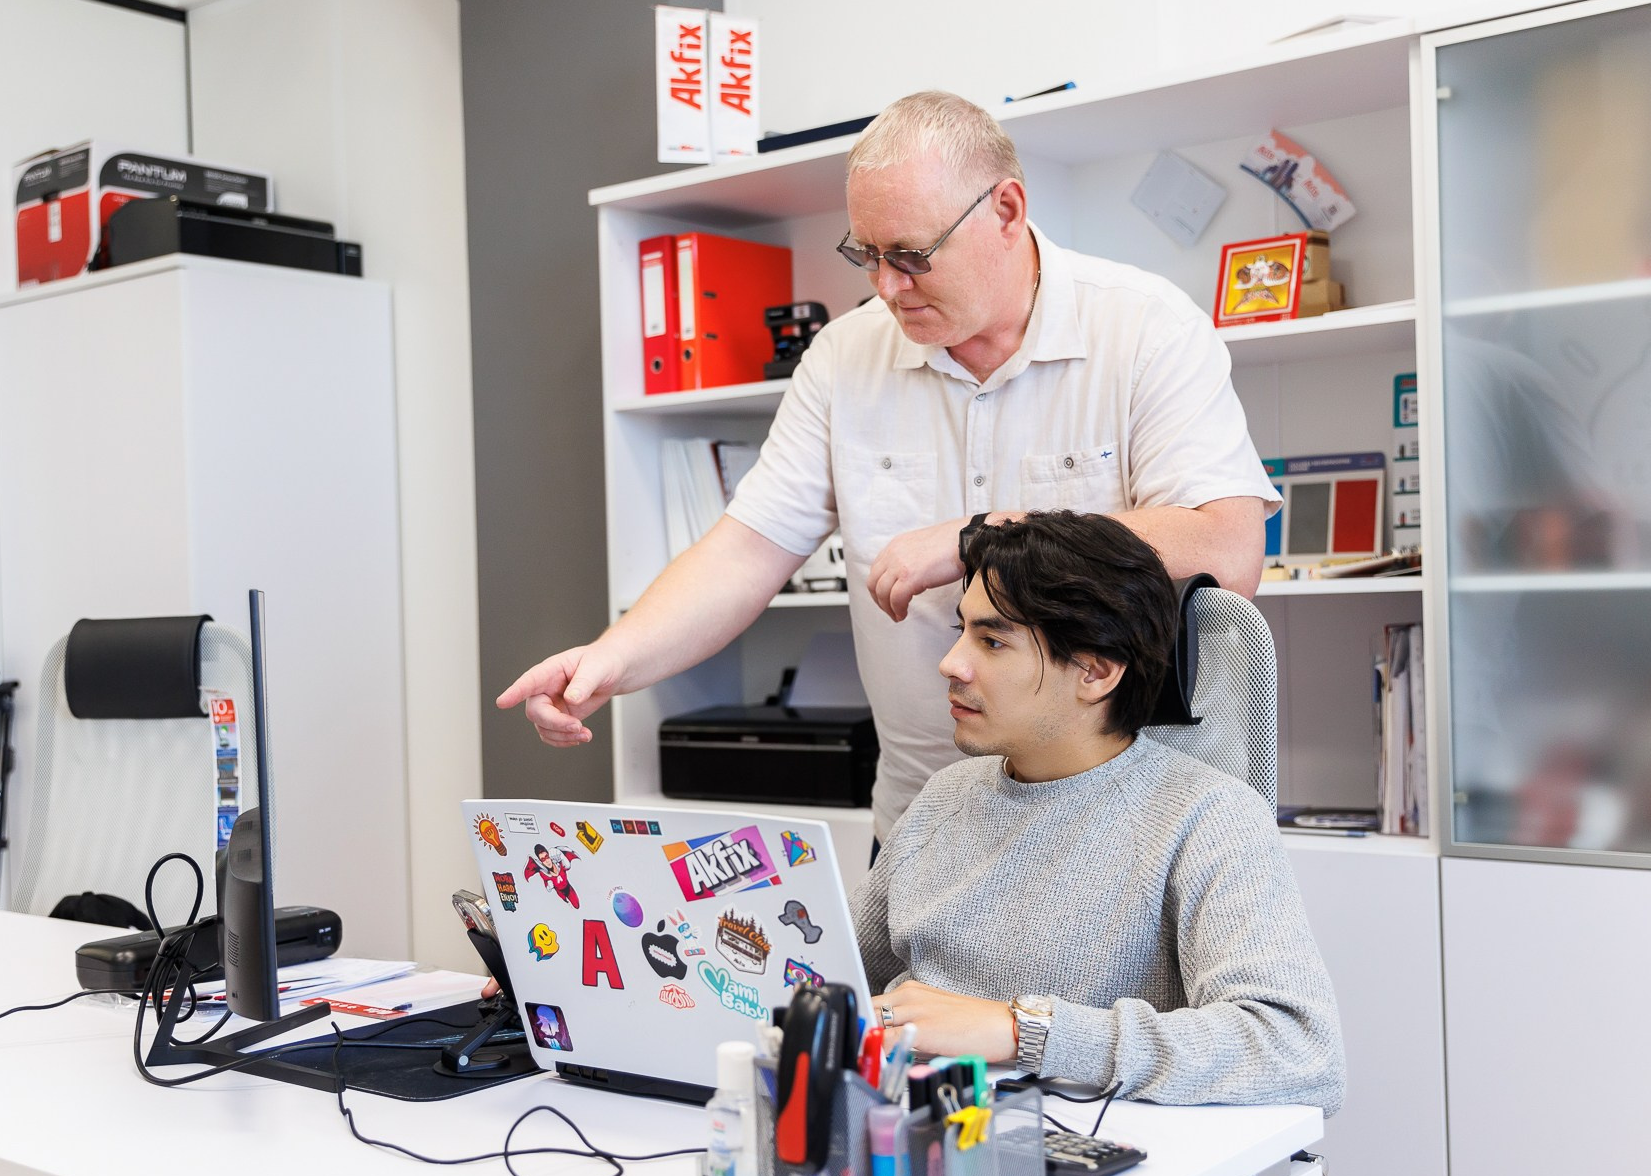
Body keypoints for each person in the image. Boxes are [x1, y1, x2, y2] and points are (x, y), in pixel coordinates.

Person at [500, 89, 1282, 840]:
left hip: (1120, 823)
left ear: (1007, 210)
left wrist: (986, 537)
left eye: (911, 255)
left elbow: (1226, 549)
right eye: (866, 255)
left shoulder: (1145, 329)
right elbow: (746, 551)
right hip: (923, 820)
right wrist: (610, 659)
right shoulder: (845, 356)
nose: (887, 287)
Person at [850, 511, 1344, 1112]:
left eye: (992, 641)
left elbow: (1299, 1051)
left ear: (1095, 672)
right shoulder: (944, 797)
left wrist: (1021, 1031)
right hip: (907, 1129)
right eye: (962, 631)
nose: (951, 663)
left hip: (1078, 1148)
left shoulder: (1208, 818)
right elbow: (834, 971)